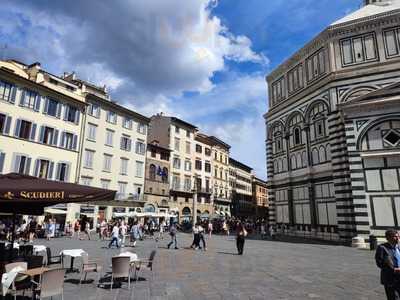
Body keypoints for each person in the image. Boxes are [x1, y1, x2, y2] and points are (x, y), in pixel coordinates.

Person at [375, 229, 400, 300]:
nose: (398, 238)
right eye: (395, 236)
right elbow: (380, 263)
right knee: (394, 298)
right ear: (388, 238)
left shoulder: (398, 247)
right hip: (390, 279)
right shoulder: (382, 248)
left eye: (398, 236)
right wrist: (394, 270)